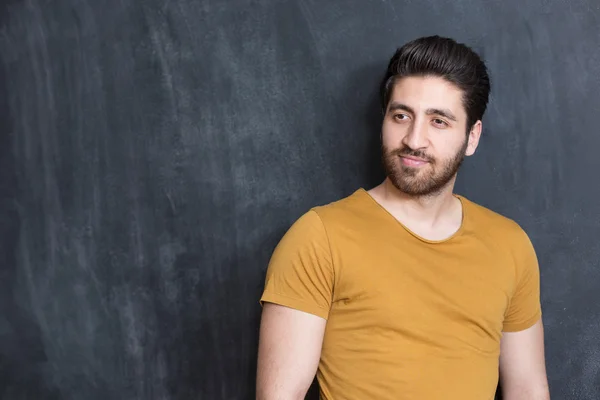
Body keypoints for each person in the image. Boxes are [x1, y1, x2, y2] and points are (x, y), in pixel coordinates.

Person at [255, 35, 549, 400]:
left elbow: (527, 389)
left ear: (472, 137)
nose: (414, 139)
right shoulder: (319, 237)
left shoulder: (510, 245)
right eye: (401, 115)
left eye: (438, 121)